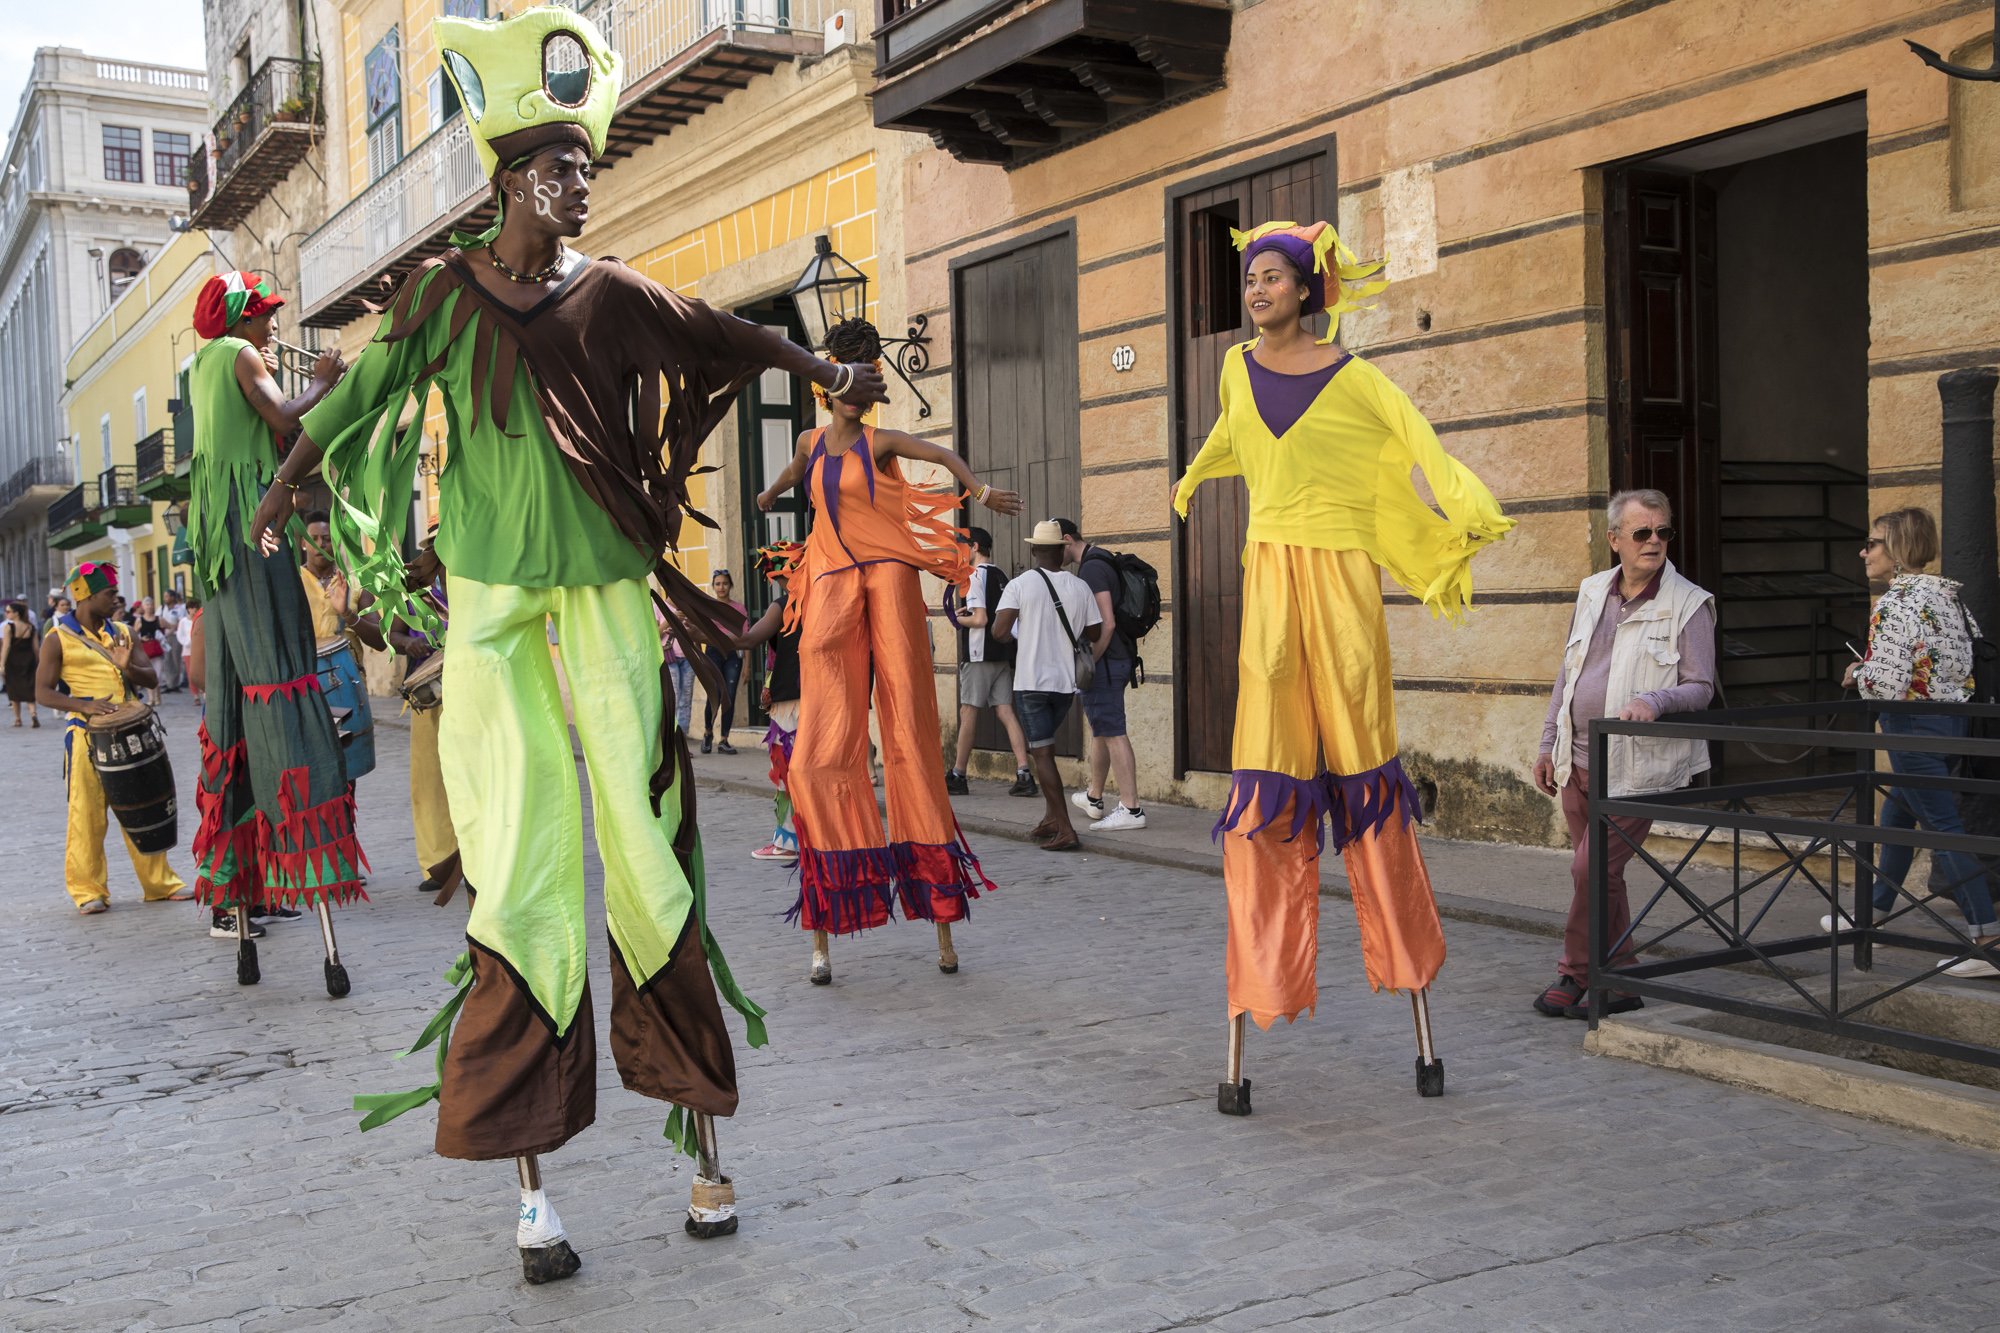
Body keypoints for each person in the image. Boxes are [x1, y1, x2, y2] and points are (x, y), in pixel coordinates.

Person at [248, 3, 890, 1280]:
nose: (581, 185)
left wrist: (826, 375)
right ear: (508, 179)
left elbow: (723, 332)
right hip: (491, 619)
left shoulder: (609, 295)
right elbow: (356, 398)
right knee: (523, 873)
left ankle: (705, 1151)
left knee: (652, 865)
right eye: (560, 168)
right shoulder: (438, 297)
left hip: (602, 607)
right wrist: (285, 486)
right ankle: (532, 1195)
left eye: (588, 165)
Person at [1175, 219, 1513, 1111]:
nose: (1258, 291)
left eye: (1275, 277)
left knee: (1367, 782)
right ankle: (1261, 988)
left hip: (1342, 591)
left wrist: (1461, 512)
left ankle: (1409, 969)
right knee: (1269, 792)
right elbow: (1234, 436)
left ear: (1306, 289)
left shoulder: (1357, 379)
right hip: (1271, 592)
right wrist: (1192, 475)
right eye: (1251, 278)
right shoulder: (1233, 368)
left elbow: (1416, 449)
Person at [757, 316, 1019, 982]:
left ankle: (939, 918)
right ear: (829, 379)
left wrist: (979, 489)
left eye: (869, 368)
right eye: (847, 367)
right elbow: (792, 471)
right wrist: (767, 493)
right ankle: (824, 927)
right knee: (824, 743)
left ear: (874, 383)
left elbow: (938, 457)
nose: (858, 381)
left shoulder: (881, 442)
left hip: (889, 578)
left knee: (910, 736)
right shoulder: (810, 440)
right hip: (832, 582)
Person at [182, 268, 362, 956]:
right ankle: (304, 863)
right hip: (249, 522)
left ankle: (240, 883)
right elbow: (286, 418)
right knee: (283, 677)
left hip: (218, 539)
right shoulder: (238, 355)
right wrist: (322, 380)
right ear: (240, 318)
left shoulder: (200, 364)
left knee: (239, 696)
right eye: (262, 315)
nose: (271, 326)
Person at [1531, 489, 1715, 1019]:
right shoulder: (1592, 592)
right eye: (1642, 533)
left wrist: (1655, 701)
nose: (1654, 541)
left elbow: (1701, 686)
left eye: (1663, 532)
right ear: (1615, 541)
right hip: (1576, 763)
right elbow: (1567, 675)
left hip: (1636, 767)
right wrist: (1549, 744)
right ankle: (1625, 976)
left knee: (1590, 873)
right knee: (1601, 877)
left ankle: (1575, 971)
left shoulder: (1689, 604)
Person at [1831, 507, 1998, 978]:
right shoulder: (1950, 599)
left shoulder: (1895, 604)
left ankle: (1987, 936)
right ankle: (1874, 910)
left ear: (1898, 551)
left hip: (1913, 728)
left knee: (1944, 829)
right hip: (1953, 725)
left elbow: (1884, 685)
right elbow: (1963, 662)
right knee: (1897, 811)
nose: (1864, 552)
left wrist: (1856, 672)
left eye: (1873, 543)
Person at [35, 562, 192, 915]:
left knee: (144, 807)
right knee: (86, 815)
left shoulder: (123, 631)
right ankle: (87, 889)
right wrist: (83, 705)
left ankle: (159, 883)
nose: (116, 599)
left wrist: (127, 668)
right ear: (84, 596)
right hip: (85, 738)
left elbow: (151, 680)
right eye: (109, 593)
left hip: (133, 732)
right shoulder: (57, 638)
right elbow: (42, 693)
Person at [990, 520, 1107, 853]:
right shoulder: (1079, 586)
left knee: (1042, 754)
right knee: (1044, 751)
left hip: (1031, 682)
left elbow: (999, 631)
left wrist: (1024, 631)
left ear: (1033, 549)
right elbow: (1096, 633)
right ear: (1061, 550)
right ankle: (1051, 819)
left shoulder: (1020, 584)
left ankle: (1066, 827)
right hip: (1065, 686)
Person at [1057, 518, 1146, 831]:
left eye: (1056, 547)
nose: (1054, 554)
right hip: (1117, 658)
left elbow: (1106, 622)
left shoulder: (1092, 568)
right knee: (1102, 728)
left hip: (1107, 662)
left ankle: (1131, 809)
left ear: (1067, 540)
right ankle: (1094, 797)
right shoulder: (1100, 559)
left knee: (1113, 730)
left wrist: (1089, 662)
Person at [943, 525, 1034, 799]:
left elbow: (980, 619)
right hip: (1002, 654)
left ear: (973, 548)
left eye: (961, 545)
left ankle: (958, 774)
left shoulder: (972, 576)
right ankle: (1024, 773)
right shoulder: (1001, 575)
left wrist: (956, 618)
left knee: (968, 712)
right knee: (1005, 711)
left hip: (979, 655)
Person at [734, 545, 803, 868]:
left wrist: (708, 632)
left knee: (787, 775)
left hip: (791, 705)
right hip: (822, 699)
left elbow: (750, 639)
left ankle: (787, 842)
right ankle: (816, 838)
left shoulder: (784, 603)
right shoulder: (824, 599)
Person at [387, 572, 456, 895]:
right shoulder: (415, 589)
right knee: (429, 779)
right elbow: (393, 635)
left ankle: (481, 859)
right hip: (429, 690)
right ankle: (438, 863)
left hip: (472, 685)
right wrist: (409, 643)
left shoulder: (470, 579)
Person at [700, 569, 746, 755]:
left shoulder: (739, 609)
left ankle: (724, 740)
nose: (721, 587)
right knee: (715, 694)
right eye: (718, 584)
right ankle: (708, 733)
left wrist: (748, 667)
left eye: (725, 583)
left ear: (730, 586)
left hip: (733, 654)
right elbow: (699, 632)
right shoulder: (708, 607)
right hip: (712, 653)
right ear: (713, 586)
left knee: (729, 695)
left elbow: (746, 637)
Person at [4, 600, 40, 728]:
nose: (6, 613)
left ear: (16, 613)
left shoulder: (8, 627)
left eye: (8, 611)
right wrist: (38, 661)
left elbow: (6, 646)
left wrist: (2, 664)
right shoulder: (30, 627)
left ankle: (18, 719)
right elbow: (36, 648)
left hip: (13, 661)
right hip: (29, 659)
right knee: (30, 687)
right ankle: (33, 713)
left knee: (14, 690)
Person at [158, 590, 186, 693]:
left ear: (173, 597)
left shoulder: (179, 609)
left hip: (175, 636)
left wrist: (171, 628)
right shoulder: (161, 608)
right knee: (167, 660)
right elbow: (159, 620)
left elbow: (180, 622)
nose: (165, 598)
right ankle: (169, 683)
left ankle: (176, 683)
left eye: (167, 596)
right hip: (164, 637)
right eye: (164, 596)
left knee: (176, 659)